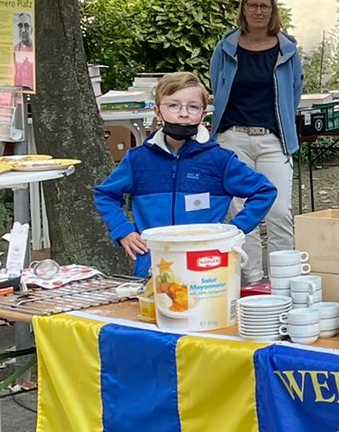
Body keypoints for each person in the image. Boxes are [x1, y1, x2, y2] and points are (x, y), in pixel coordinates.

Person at [96, 71, 279, 279]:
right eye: (173, 105)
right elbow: (105, 195)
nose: (183, 113)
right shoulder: (137, 160)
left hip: (205, 267)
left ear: (203, 114)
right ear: (157, 112)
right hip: (153, 267)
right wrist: (123, 230)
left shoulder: (220, 160)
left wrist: (234, 231)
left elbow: (264, 191)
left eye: (193, 107)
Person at [209, 0, 304, 269]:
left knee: (279, 211)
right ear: (244, 10)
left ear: (273, 11)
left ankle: (282, 278)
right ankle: (250, 278)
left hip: (273, 139)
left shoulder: (287, 49)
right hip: (232, 138)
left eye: (265, 6)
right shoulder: (226, 47)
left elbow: (295, 90)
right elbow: (217, 83)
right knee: (241, 211)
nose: (258, 11)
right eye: (252, 5)